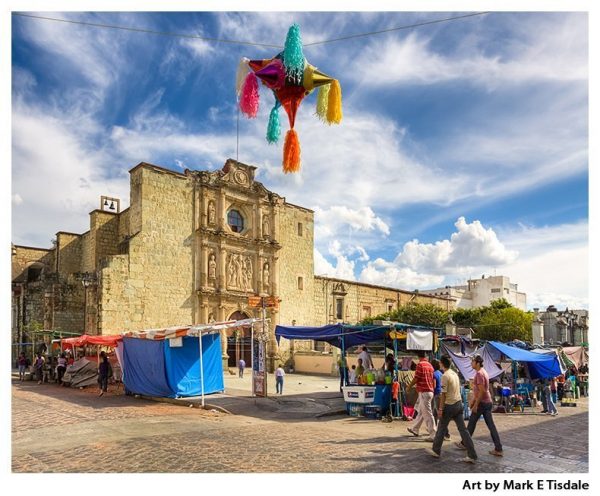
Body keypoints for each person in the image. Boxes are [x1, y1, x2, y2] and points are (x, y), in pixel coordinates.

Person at [426, 356, 478, 463]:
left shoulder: (445, 376)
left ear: (442, 364)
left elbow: (443, 395)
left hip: (449, 405)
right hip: (458, 404)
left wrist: (440, 409)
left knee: (441, 428)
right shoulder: (454, 374)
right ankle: (472, 454)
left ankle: (436, 450)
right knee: (463, 431)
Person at [457, 355, 503, 456]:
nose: (471, 363)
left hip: (482, 403)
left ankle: (465, 443)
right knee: (484, 425)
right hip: (486, 402)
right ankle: (498, 448)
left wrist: (475, 404)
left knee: (472, 423)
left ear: (477, 363)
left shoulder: (479, 374)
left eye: (472, 361)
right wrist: (473, 401)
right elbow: (479, 391)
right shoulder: (482, 372)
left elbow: (482, 391)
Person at [407, 350, 436, 441]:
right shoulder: (430, 365)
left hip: (424, 391)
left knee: (427, 414)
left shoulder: (420, 365)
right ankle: (415, 429)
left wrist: (409, 386)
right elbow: (432, 379)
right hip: (429, 391)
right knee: (421, 412)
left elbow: (416, 378)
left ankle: (433, 434)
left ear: (418, 357)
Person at [432, 359, 450, 439]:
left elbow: (434, 386)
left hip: (437, 395)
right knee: (435, 414)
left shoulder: (434, 374)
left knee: (439, 415)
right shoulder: (440, 373)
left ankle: (446, 433)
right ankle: (435, 429)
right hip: (440, 394)